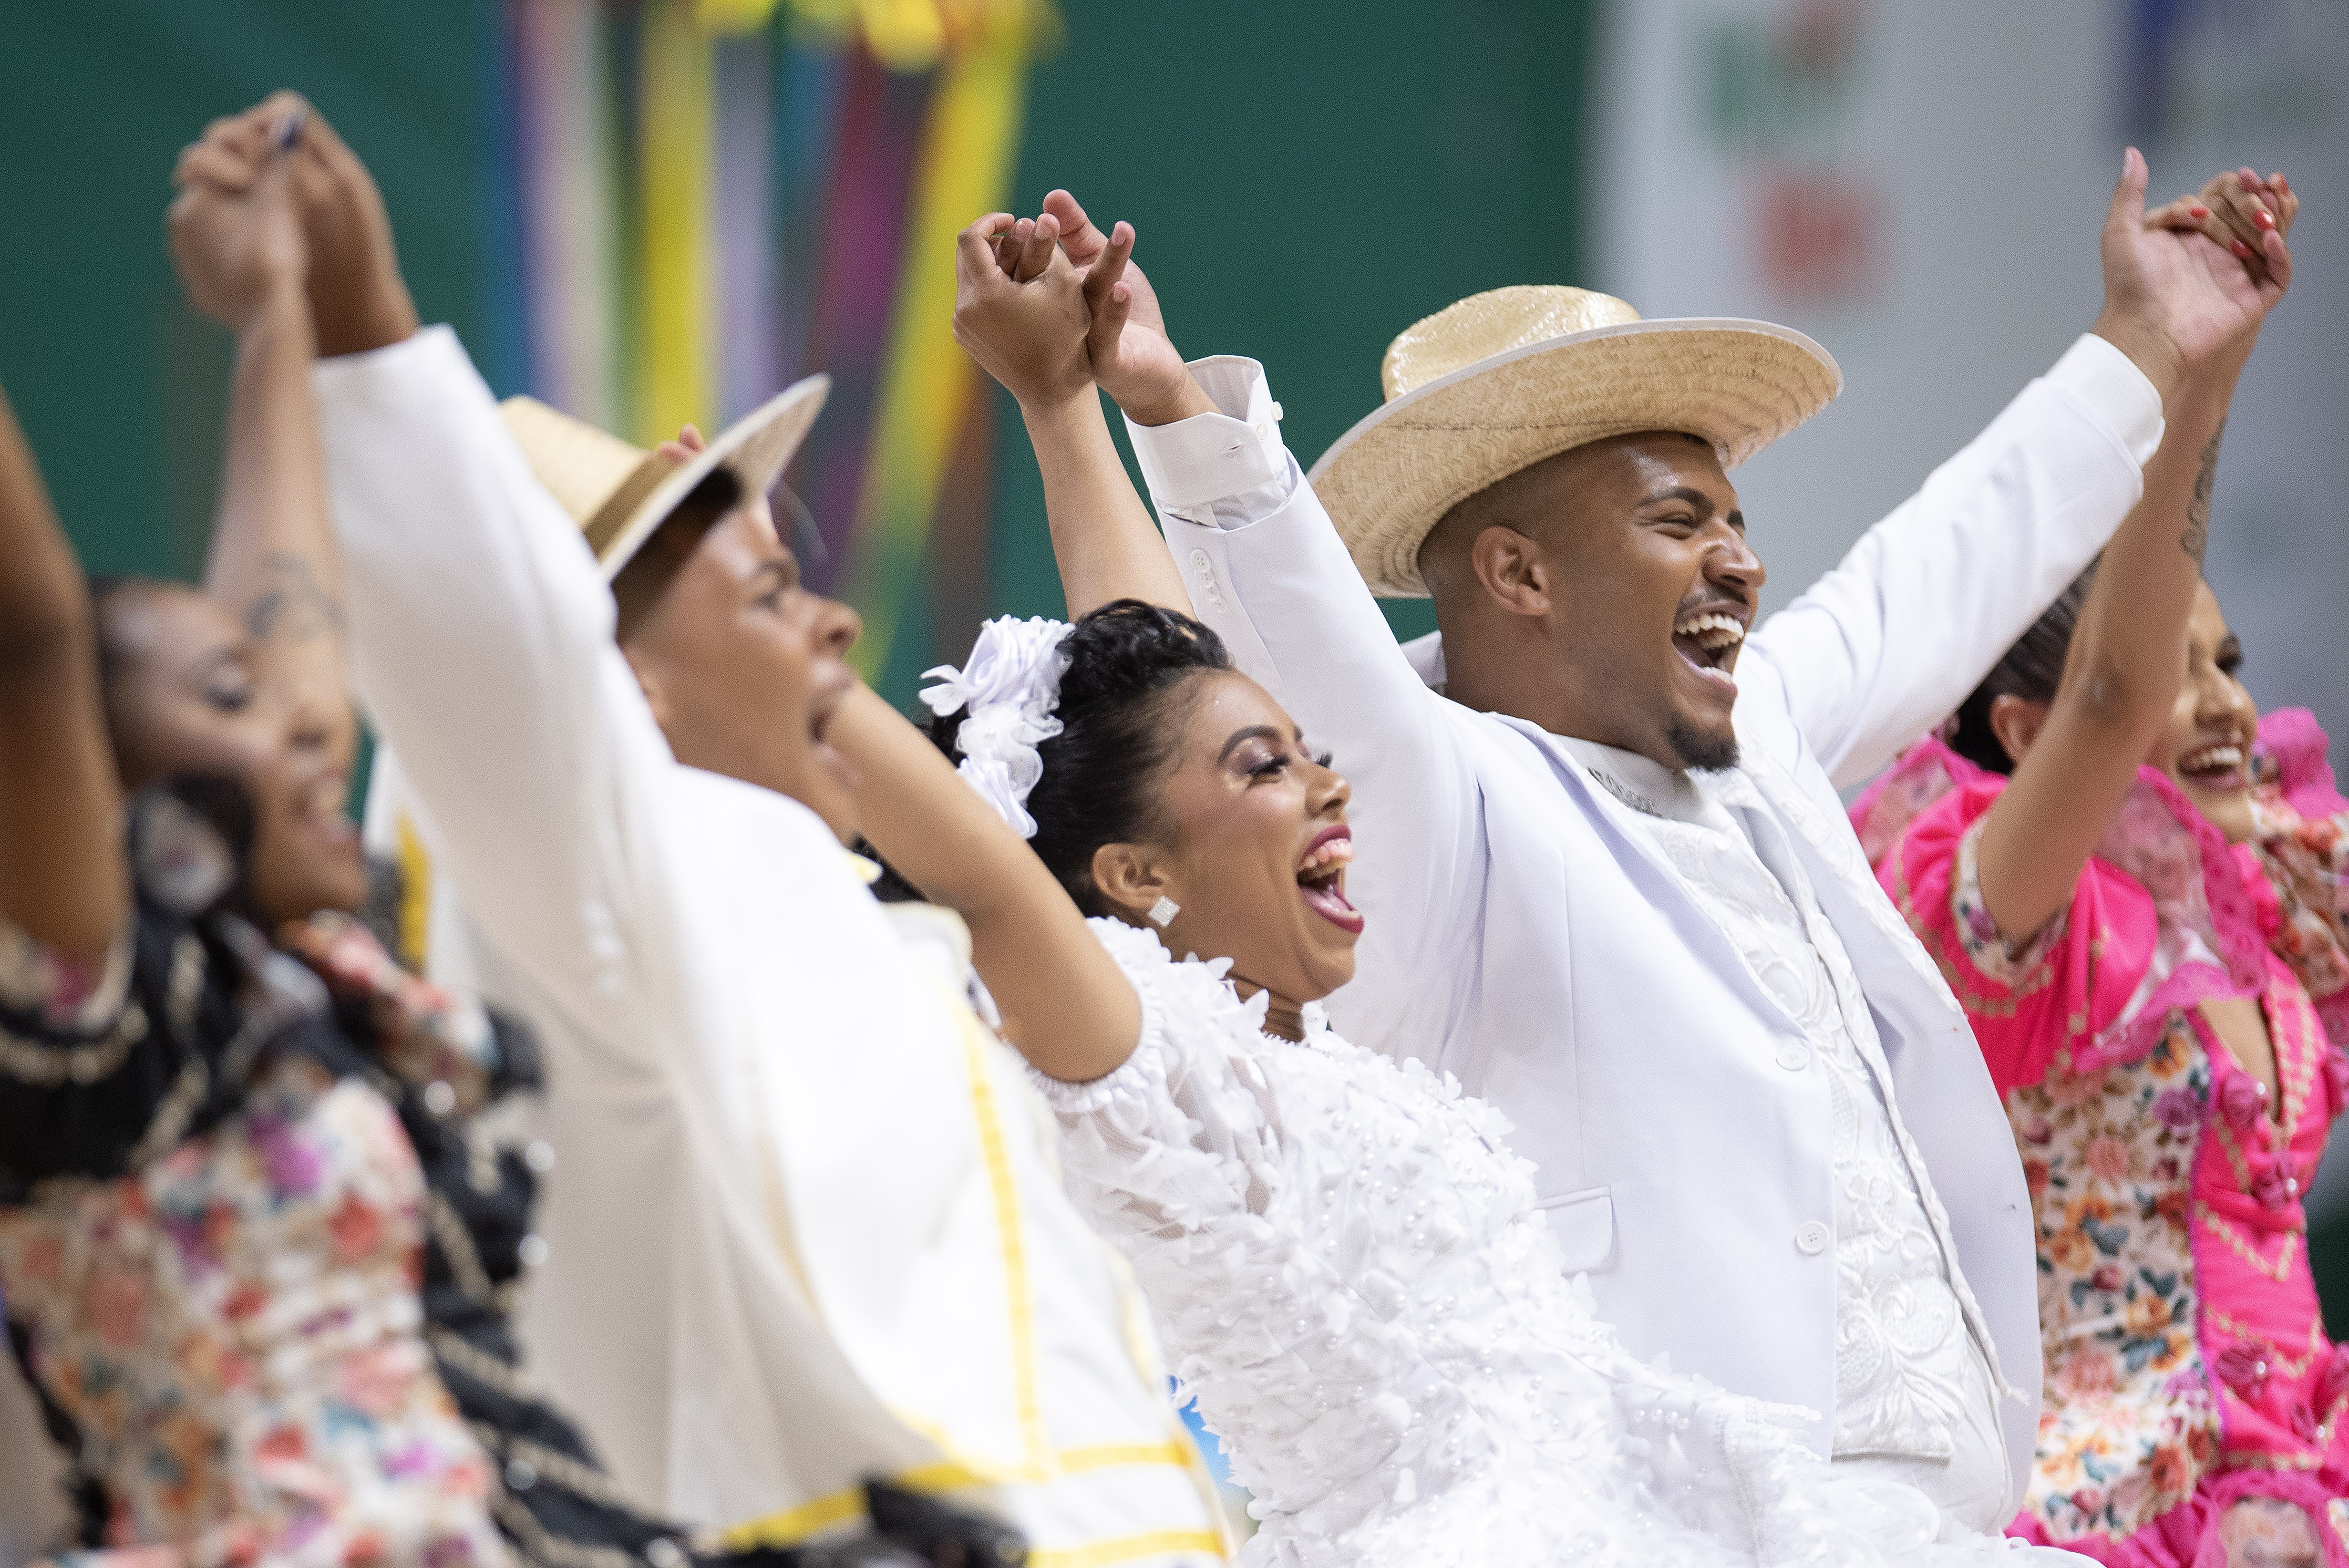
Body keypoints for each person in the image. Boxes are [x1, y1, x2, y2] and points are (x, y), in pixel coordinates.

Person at [786, 210, 2124, 1566]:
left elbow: (1166, 698)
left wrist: (1067, 409)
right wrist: (801, 670)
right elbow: (1066, 843)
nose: (1329, 793)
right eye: (1276, 766)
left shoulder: (1359, 1023)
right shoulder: (1212, 1025)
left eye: (1313, 758)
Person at [296, 102, 1223, 1566]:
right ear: (614, 691)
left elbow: (1027, 875)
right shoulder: (614, 915)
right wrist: (365, 337)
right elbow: (489, 676)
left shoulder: (840, 926)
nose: (842, 633)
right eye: (774, 597)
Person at [0, 118, 506, 1568]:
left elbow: (292, 645)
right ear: (93, 793)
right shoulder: (88, 1026)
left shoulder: (276, 976)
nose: (300, 720)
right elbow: (33, 639)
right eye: (229, 698)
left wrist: (276, 302)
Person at [1849, 192, 2347, 1561]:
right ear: (2026, 733)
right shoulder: (2018, 928)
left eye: (2232, 666)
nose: (2230, 711)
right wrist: (2202, 375)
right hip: (2106, 1519)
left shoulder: (2264, 913)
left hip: (2304, 1491)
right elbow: (2116, 693)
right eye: (2181, 678)